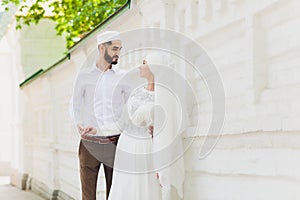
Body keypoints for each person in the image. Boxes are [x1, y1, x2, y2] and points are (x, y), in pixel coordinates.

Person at [71, 30, 131, 200]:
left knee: (115, 194)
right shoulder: (84, 77)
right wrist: (79, 124)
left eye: (120, 49)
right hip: (90, 142)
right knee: (88, 195)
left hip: (116, 143)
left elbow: (132, 105)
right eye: (114, 49)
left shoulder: (123, 77)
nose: (118, 53)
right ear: (102, 48)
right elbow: (74, 106)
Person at [107, 60, 162, 200]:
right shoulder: (137, 91)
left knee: (144, 184)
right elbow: (123, 119)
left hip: (145, 145)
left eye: (144, 63)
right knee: (125, 186)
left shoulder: (163, 95)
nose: (139, 66)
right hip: (126, 143)